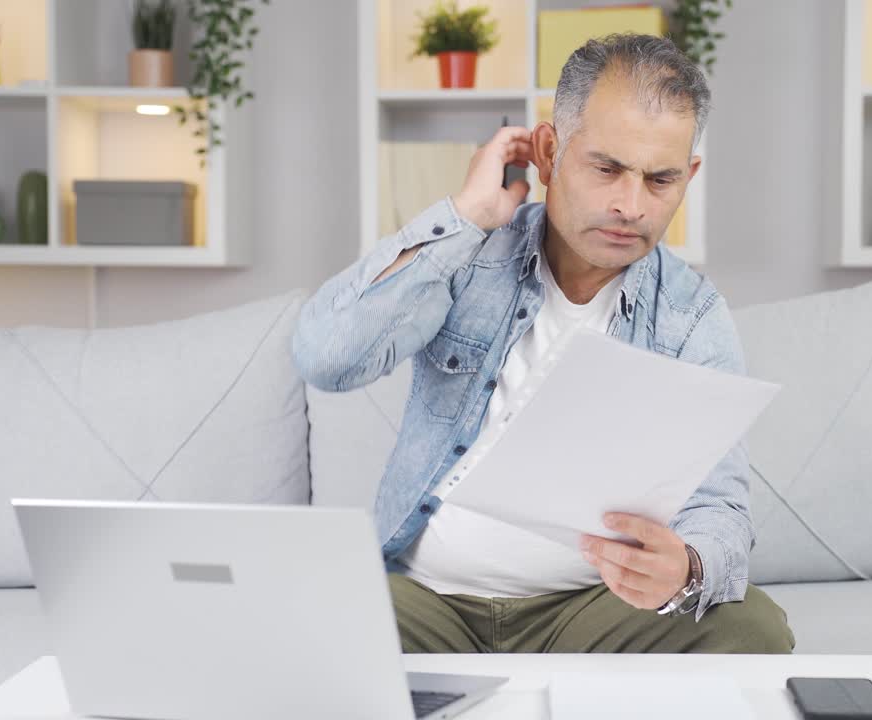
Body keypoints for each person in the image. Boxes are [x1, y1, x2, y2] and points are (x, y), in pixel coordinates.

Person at [292, 33, 794, 654]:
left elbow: (720, 507)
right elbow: (325, 356)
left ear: (687, 176)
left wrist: (688, 568)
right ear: (550, 152)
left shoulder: (692, 316)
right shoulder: (468, 253)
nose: (630, 206)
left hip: (586, 613)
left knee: (753, 627)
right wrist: (467, 214)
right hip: (426, 601)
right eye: (606, 168)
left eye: (660, 180)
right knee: (299, 610)